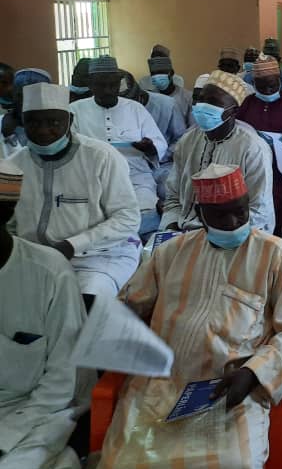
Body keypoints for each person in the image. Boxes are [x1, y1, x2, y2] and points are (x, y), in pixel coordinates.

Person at [93, 164, 282, 469]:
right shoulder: (171, 253)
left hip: (230, 389)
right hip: (161, 387)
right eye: (221, 215)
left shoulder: (278, 256)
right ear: (200, 213)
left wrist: (254, 373)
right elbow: (130, 303)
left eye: (241, 211)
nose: (234, 222)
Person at [0, 160, 92, 469]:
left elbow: (62, 383)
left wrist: (5, 436)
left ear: (5, 213)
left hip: (41, 411)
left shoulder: (50, 272)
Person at [12, 83, 141, 305]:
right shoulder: (13, 166)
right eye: (33, 122)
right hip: (34, 260)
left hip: (98, 257)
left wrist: (73, 244)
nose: (43, 131)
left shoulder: (101, 157)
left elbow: (127, 218)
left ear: (69, 121)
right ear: (23, 122)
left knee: (85, 302)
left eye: (53, 122)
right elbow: (8, 224)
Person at [162, 70, 274, 233]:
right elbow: (173, 194)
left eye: (213, 102)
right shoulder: (188, 140)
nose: (202, 106)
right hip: (185, 228)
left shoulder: (252, 147)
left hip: (236, 233)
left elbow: (259, 209)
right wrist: (171, 225)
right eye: (200, 99)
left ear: (233, 111)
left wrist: (219, 237)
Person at [69, 56, 168, 238]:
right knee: (89, 220)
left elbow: (160, 143)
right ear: (91, 84)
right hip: (91, 180)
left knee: (146, 215)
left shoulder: (135, 109)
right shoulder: (75, 110)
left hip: (135, 177)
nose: (107, 90)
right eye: (101, 85)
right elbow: (69, 149)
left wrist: (149, 148)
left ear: (119, 84)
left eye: (112, 85)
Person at [236, 57, 282, 243]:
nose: (268, 90)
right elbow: (239, 131)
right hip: (252, 162)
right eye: (262, 86)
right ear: (254, 83)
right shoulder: (248, 103)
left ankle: (274, 239)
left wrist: (278, 145)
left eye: (272, 85)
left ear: (280, 80)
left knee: (275, 195)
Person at [119, 70, 188, 202]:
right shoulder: (114, 109)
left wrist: (154, 151)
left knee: (168, 192)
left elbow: (181, 139)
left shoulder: (167, 104)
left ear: (139, 95)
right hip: (128, 166)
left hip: (162, 166)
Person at [2, 68, 52, 156]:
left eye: (31, 96)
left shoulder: (57, 126)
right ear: (13, 95)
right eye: (19, 95)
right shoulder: (2, 124)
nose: (23, 101)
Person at [146, 54, 193, 127]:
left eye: (161, 72)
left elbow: (192, 127)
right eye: (153, 73)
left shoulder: (188, 97)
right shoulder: (150, 98)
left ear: (171, 73)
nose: (157, 76)